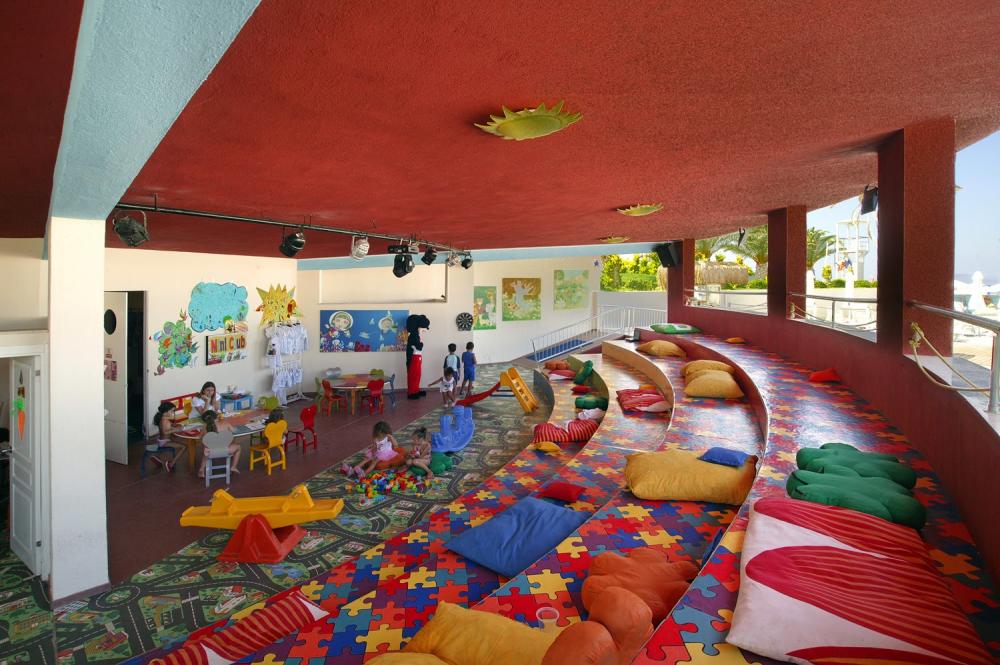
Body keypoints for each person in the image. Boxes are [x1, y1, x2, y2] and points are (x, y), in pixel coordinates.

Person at [198, 410, 242, 477]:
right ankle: (233, 467)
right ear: (216, 417)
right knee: (238, 447)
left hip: (210, 452)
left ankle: (201, 469)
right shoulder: (225, 424)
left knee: (206, 449)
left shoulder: (204, 427)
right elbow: (235, 431)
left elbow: (200, 437)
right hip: (226, 450)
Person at [150, 402, 184, 472]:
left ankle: (157, 458)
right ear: (166, 412)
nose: (173, 413)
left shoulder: (162, 418)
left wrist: (175, 426)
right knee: (183, 447)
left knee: (175, 440)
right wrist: (176, 429)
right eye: (172, 411)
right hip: (164, 442)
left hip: (161, 440)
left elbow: (168, 427)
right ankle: (171, 464)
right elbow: (165, 432)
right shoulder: (165, 421)